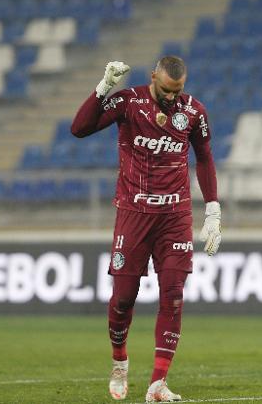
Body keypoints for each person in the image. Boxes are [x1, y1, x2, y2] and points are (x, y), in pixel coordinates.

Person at [71, 57, 221, 402]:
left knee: (173, 296)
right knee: (123, 299)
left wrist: (212, 208)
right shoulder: (128, 102)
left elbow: (205, 157)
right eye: (167, 90)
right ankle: (120, 362)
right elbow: (79, 129)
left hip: (175, 216)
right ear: (153, 77)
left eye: (177, 91)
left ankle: (157, 383)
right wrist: (104, 86)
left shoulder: (194, 111)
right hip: (133, 213)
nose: (172, 98)